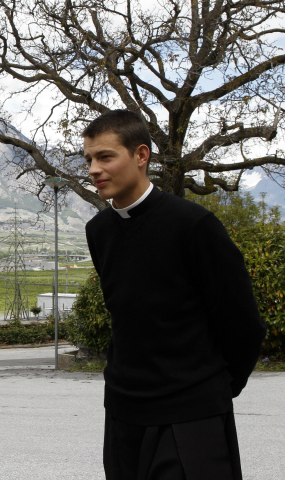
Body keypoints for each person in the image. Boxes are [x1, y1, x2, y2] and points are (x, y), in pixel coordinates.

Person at [83, 109, 266, 480]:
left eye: (105, 157)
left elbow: (242, 323)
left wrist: (213, 388)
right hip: (123, 411)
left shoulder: (194, 225)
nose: (93, 170)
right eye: (88, 159)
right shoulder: (98, 230)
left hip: (191, 414)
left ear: (140, 155)